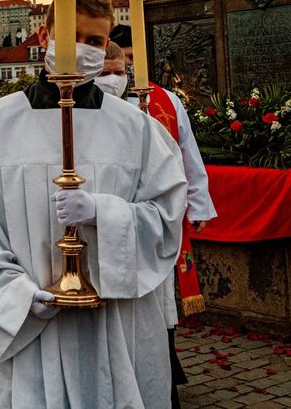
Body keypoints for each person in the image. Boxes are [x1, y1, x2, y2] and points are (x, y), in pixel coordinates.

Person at [0, 0, 188, 408]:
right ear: (44, 35)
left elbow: (167, 215)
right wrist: (17, 298)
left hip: (111, 323)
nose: (82, 49)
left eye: (94, 40)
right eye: (70, 36)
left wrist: (105, 212)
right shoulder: (1, 121)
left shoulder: (133, 127)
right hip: (30, 327)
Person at [97, 41, 217, 408]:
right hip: (105, 226)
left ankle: (163, 370)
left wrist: (195, 206)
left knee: (157, 309)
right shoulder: (80, 107)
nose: (114, 80)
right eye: (104, 73)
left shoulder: (161, 101)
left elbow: (186, 155)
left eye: (119, 72)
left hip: (150, 224)